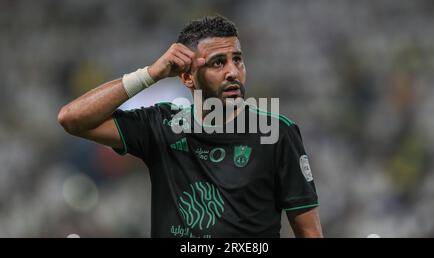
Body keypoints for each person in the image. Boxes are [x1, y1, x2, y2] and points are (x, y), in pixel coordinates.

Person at [58, 15, 323, 238]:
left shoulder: (276, 131)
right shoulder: (162, 124)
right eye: (218, 62)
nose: (233, 71)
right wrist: (150, 75)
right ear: (187, 77)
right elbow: (72, 118)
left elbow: (309, 234)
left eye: (237, 59)